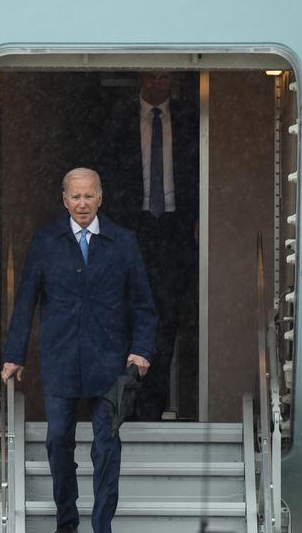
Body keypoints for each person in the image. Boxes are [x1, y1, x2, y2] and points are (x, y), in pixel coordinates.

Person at [1, 167, 157, 533]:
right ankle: (66, 523)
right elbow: (26, 300)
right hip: (60, 359)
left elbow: (143, 304)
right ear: (64, 199)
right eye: (76, 196)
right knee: (58, 441)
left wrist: (142, 349)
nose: (82, 204)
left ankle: (102, 526)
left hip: (110, 361)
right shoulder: (45, 242)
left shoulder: (123, 241)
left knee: (106, 445)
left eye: (89, 196)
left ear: (101, 197)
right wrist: (14, 354)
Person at [96, 72, 199, 421]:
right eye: (152, 75)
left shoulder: (189, 117)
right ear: (141, 76)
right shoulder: (116, 118)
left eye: (165, 76)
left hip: (174, 229)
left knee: (166, 319)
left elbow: (200, 173)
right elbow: (103, 174)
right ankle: (123, 404)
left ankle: (152, 408)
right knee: (124, 314)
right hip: (130, 227)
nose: (158, 82)